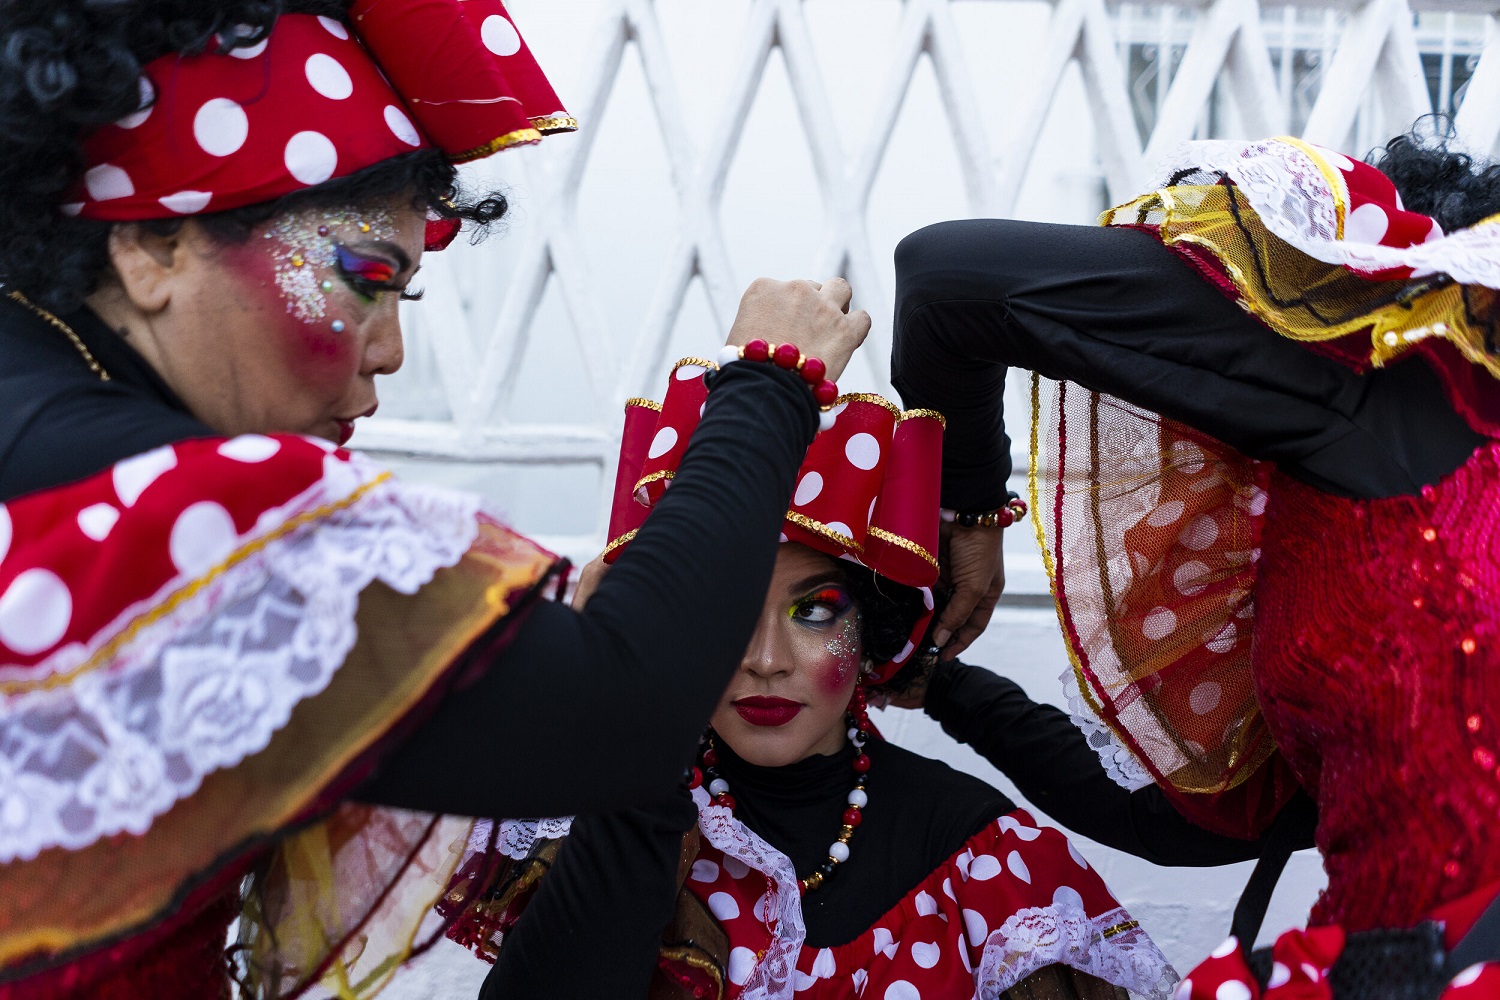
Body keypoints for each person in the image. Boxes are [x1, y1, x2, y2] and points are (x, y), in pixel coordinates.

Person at [0, 2, 875, 996]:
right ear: (155, 246)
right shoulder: (186, 504)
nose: (391, 350)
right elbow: (618, 711)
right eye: (366, 275)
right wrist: (769, 379)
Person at [888, 125, 1500, 994]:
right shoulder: (1359, 514)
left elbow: (948, 280)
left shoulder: (1391, 378)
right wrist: (949, 689)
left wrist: (973, 510)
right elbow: (1199, 822)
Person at [452, 360, 1179, 1000]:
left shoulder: (991, 863)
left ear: (875, 630)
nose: (766, 658)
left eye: (815, 611)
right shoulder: (603, 823)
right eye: (727, 608)